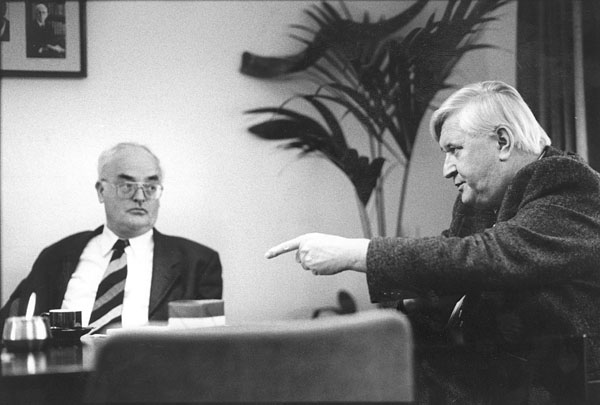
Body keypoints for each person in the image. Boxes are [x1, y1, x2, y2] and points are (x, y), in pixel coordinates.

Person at [265, 81, 600, 403]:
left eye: (454, 150)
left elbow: (491, 255)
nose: (446, 170)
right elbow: (452, 264)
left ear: (503, 141)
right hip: (499, 376)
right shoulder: (484, 198)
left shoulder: (567, 181)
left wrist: (357, 253)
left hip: (558, 386)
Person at [0, 142, 222, 334]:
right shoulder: (57, 256)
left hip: (153, 371)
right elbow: (12, 325)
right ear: (101, 191)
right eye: (127, 186)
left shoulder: (198, 263)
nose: (140, 197)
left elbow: (207, 349)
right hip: (64, 370)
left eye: (150, 187)